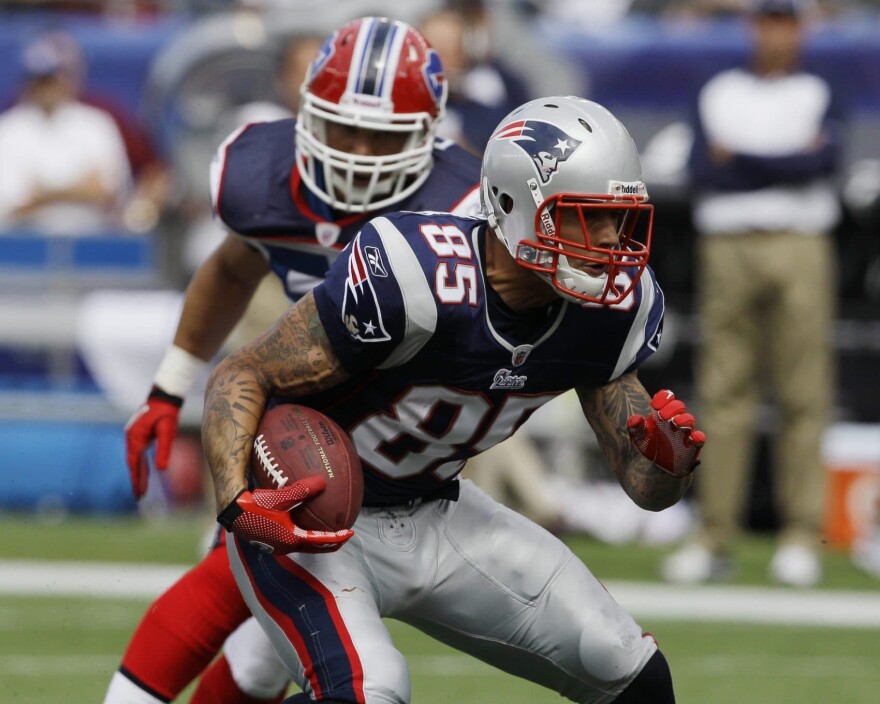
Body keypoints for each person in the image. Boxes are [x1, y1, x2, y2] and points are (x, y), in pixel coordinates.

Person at [202, 95, 705, 704]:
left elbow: (645, 492)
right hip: (317, 521)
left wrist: (667, 466)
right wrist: (237, 506)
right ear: (517, 206)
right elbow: (241, 375)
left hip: (439, 508)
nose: (609, 240)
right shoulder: (413, 274)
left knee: (627, 668)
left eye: (618, 219)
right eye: (587, 216)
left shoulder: (611, 312)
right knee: (372, 691)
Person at [103, 17, 482, 704]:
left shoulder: (465, 209)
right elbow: (231, 267)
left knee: (258, 656)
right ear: (306, 113)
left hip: (398, 433)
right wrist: (168, 388)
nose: (362, 153)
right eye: (344, 128)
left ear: (429, 135)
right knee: (235, 576)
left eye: (386, 135)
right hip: (303, 419)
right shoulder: (266, 176)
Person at [661, 0, 842, 588]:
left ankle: (799, 533)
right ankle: (716, 532)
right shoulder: (719, 90)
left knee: (803, 391)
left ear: (799, 28)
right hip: (730, 244)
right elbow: (701, 172)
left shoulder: (819, 88)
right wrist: (786, 162)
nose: (775, 32)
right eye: (767, 20)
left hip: (799, 242)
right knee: (723, 390)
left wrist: (743, 160)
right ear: (752, 26)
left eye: (785, 20)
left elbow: (824, 163)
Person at [0, 30, 132, 235]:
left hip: (92, 239)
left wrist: (44, 194)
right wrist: (78, 190)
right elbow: (14, 203)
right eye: (41, 79)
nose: (49, 87)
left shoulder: (97, 124)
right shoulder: (8, 128)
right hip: (24, 241)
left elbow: (109, 191)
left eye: (56, 78)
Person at [419, 0, 530, 154]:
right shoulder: (404, 106)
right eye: (431, 51)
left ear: (464, 54)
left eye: (446, 51)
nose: (438, 63)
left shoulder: (485, 112)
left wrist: (461, 151)